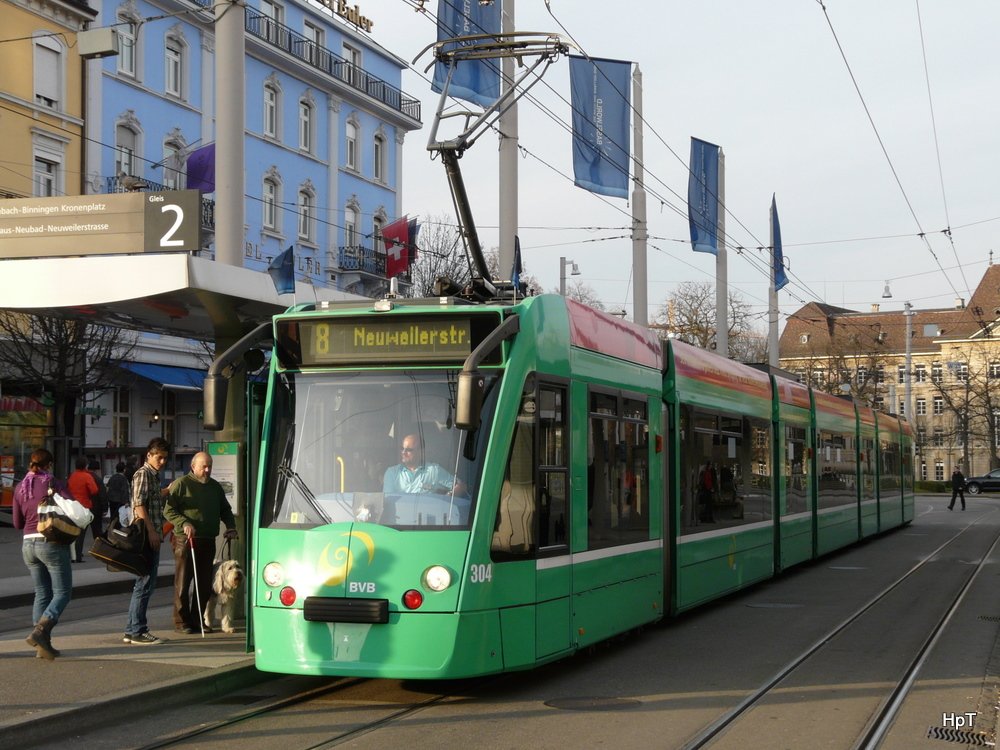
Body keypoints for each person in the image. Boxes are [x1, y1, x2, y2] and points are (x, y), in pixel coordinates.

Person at [164, 452, 238, 634]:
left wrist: (231, 526)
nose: (207, 470)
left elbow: (225, 509)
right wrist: (185, 522)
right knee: (183, 583)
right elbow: (169, 511)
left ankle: (199, 620)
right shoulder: (182, 484)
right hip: (186, 540)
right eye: (204, 466)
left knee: (204, 584)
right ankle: (182, 622)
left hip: (207, 539)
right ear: (193, 466)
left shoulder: (214, 487)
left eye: (210, 466)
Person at [12, 449, 70, 659]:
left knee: (41, 592)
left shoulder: (20, 487)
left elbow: (17, 523)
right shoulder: (51, 482)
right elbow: (70, 506)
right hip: (50, 542)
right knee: (63, 592)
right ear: (49, 465)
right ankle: (40, 632)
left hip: (28, 545)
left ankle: (42, 646)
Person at [123, 437, 169, 645]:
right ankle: (137, 631)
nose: (162, 462)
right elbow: (140, 505)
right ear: (148, 455)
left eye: (165, 458)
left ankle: (131, 629)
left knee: (143, 583)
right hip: (145, 537)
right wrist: (151, 531)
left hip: (150, 535)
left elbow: (149, 499)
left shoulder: (153, 476)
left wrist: (166, 491)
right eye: (159, 457)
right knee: (144, 584)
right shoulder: (143, 474)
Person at [383, 433, 465, 495]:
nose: (403, 452)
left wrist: (449, 497)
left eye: (408, 450)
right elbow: (388, 501)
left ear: (420, 452)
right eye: (402, 449)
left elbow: (461, 486)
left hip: (425, 516)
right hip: (400, 517)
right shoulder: (391, 473)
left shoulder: (433, 471)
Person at [67, 456, 99, 563]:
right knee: (81, 533)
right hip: (84, 506)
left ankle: (72, 555)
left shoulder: (72, 475)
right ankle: (77, 556)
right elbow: (94, 490)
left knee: (72, 532)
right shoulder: (87, 476)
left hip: (72, 506)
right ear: (85, 465)